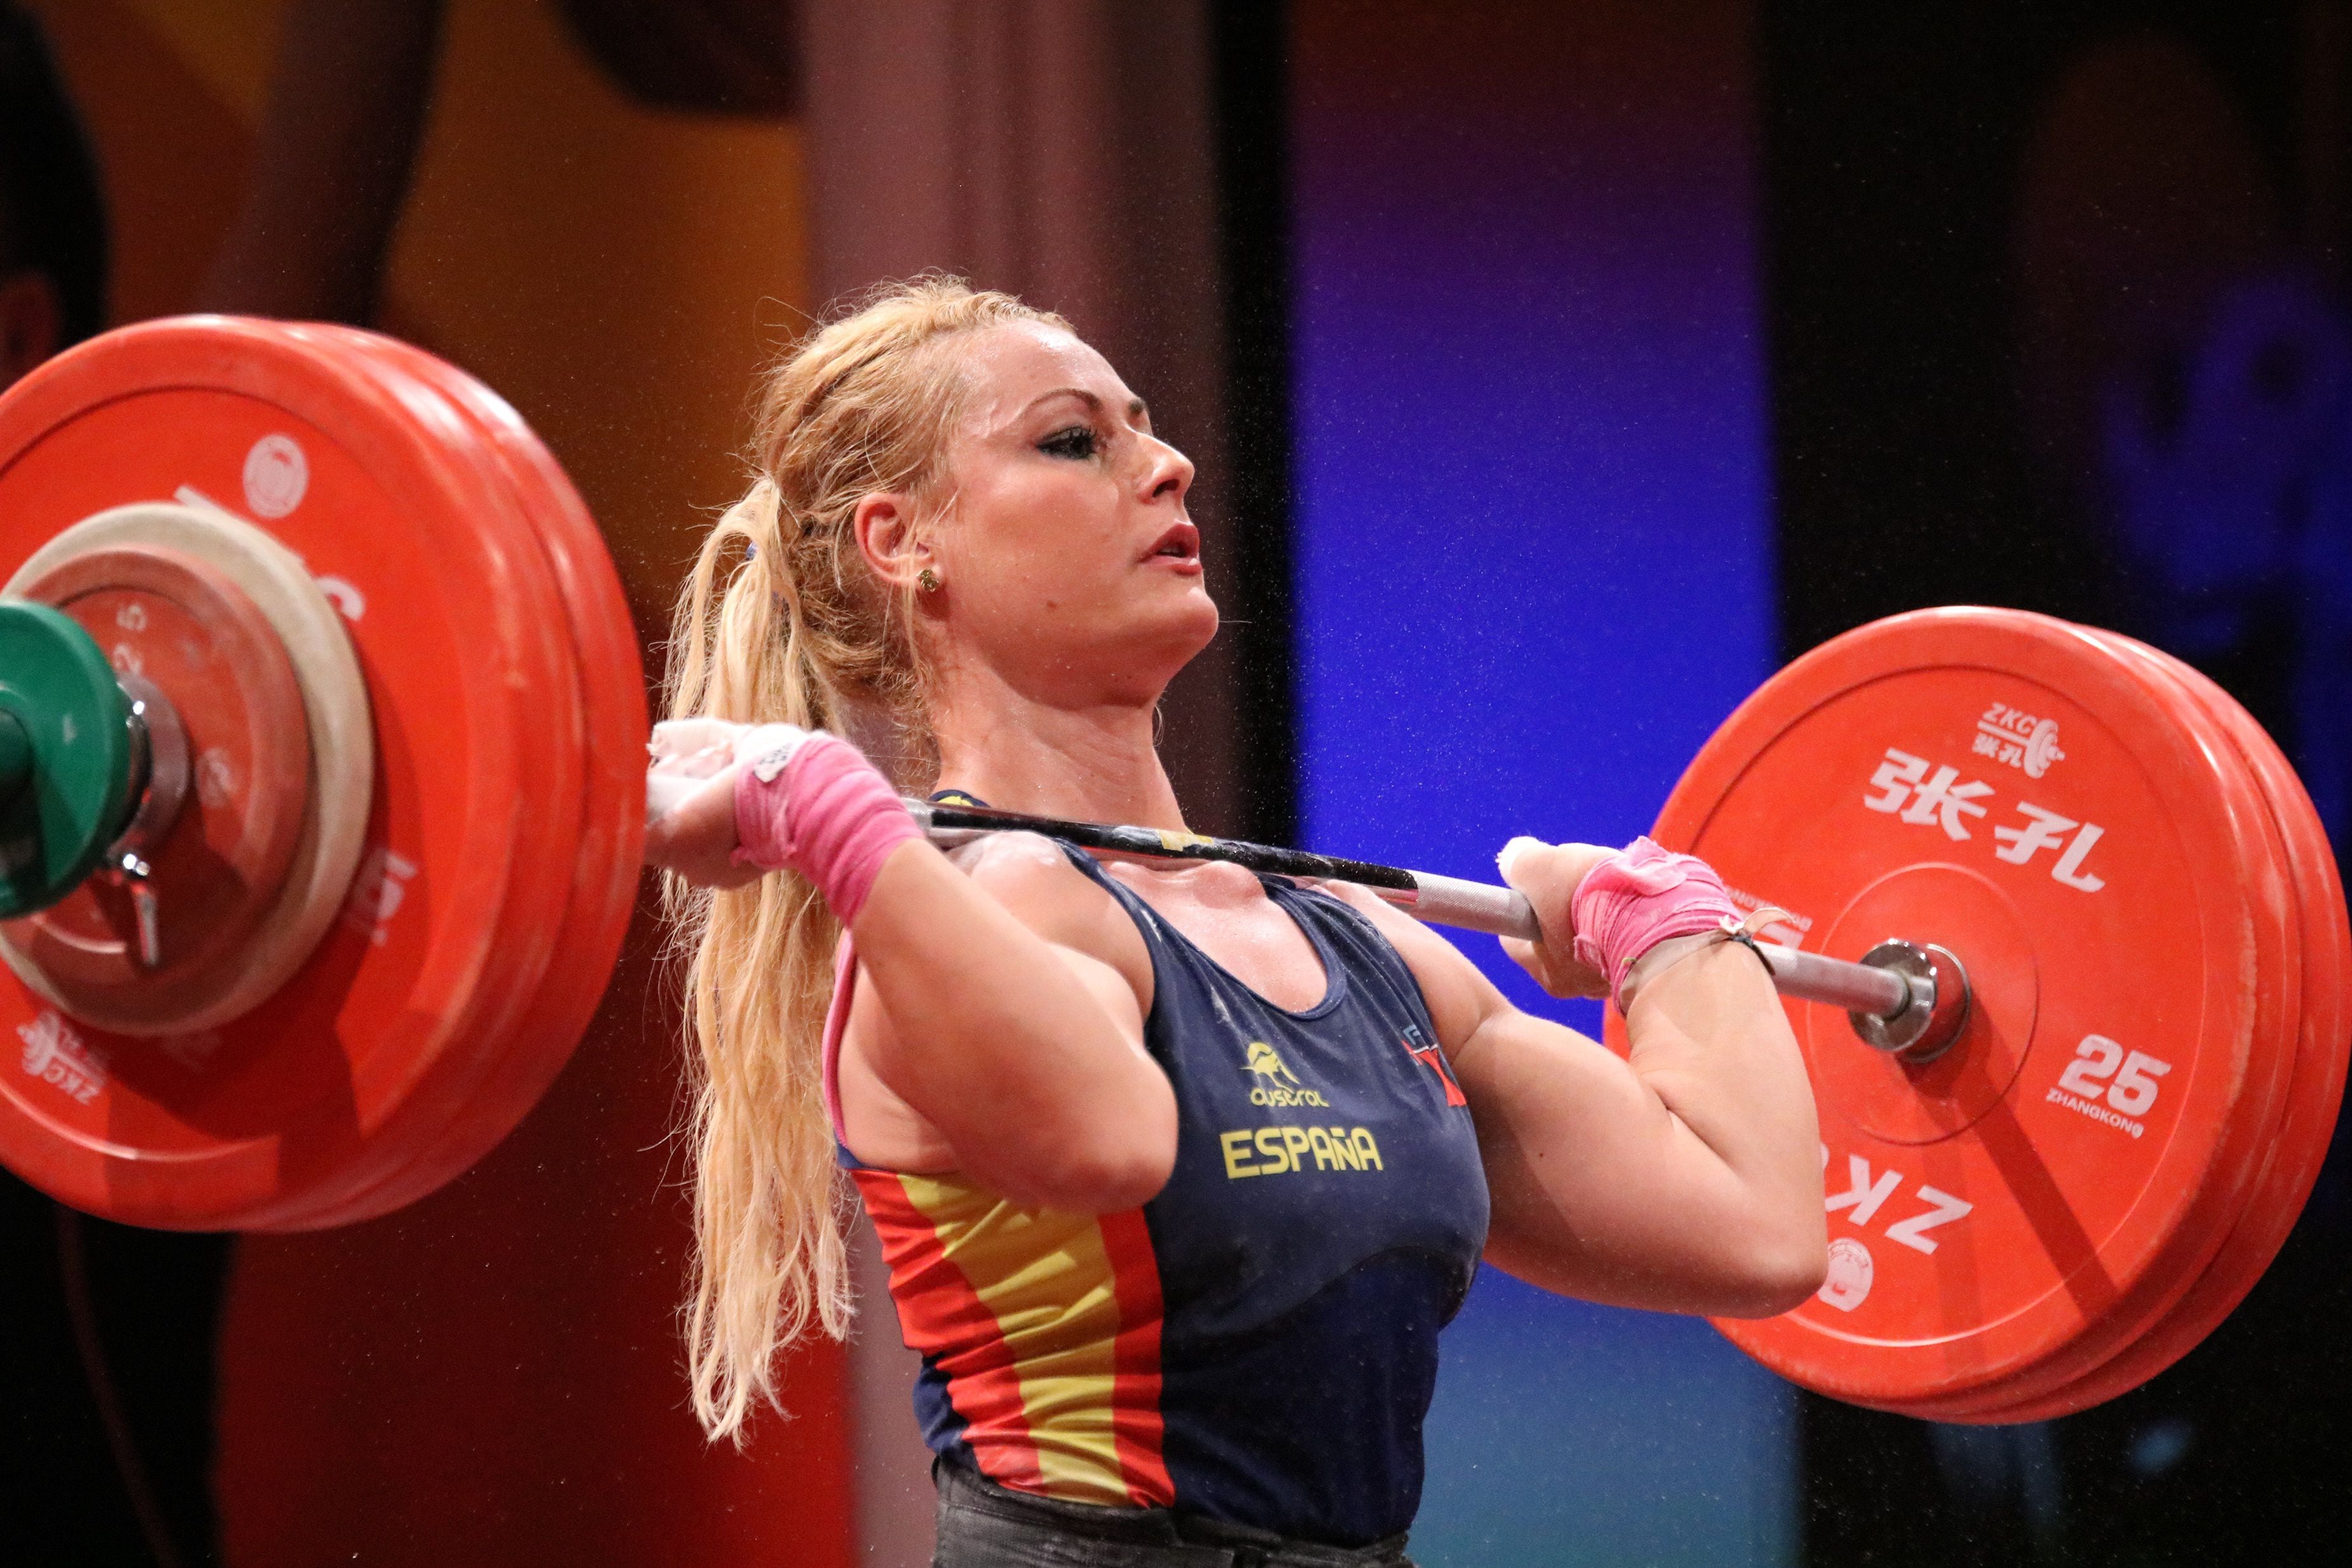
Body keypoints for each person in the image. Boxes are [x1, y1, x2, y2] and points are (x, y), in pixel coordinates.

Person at [643, 276, 1826, 1565]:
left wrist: (1663, 926)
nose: (1168, 465)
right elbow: (1111, 1135)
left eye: (1145, 428)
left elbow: (1751, 1227)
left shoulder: (1367, 955)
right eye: (1073, 440)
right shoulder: (997, 907)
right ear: (902, 540)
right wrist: (824, 806)